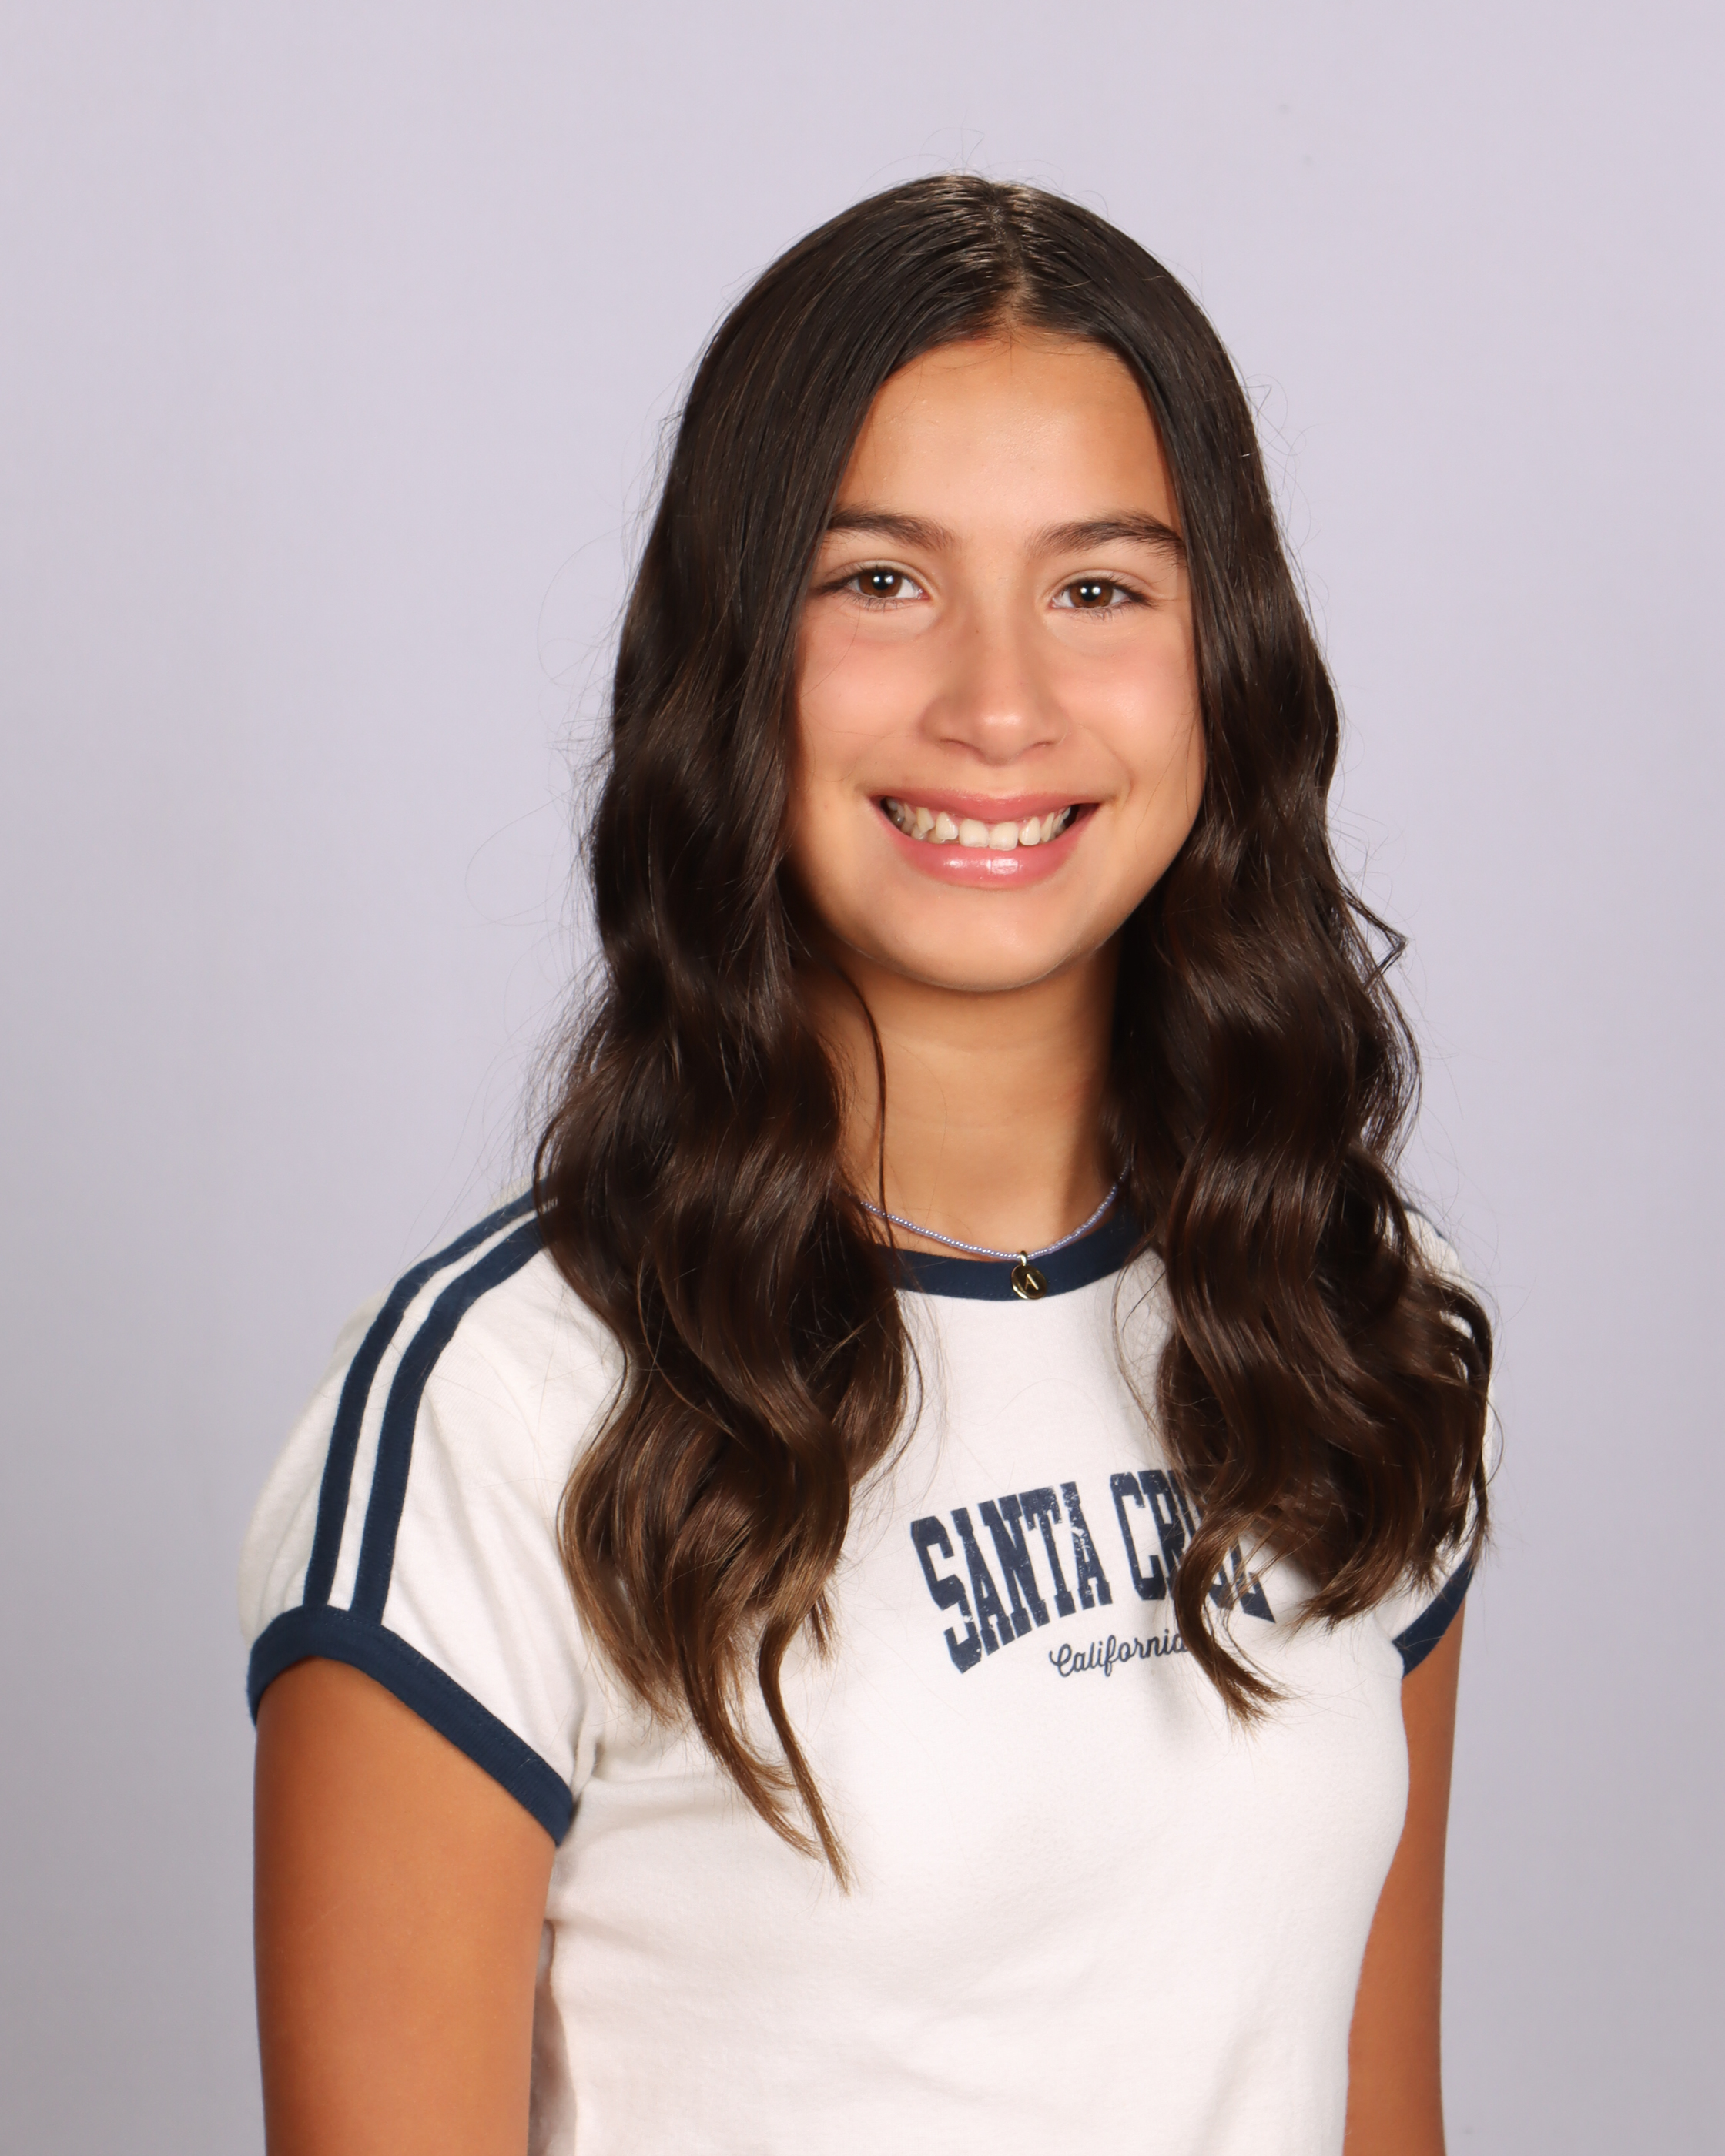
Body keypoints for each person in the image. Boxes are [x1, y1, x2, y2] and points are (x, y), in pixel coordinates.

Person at [243, 176, 1493, 2156]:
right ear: (732, 657)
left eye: (1100, 588)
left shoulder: (1351, 1318)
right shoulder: (500, 1409)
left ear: (1225, 663)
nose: (997, 705)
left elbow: (1373, 2113)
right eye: (880, 580)